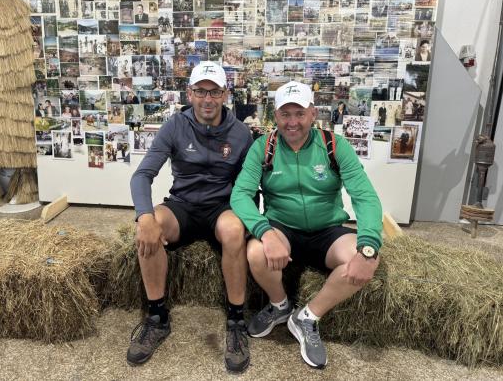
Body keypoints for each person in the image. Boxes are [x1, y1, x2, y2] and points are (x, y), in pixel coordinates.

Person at [230, 81, 382, 369]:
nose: (292, 122)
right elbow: (240, 195)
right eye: (285, 114)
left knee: (365, 261)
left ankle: (307, 317)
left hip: (328, 231)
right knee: (255, 252)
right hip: (282, 228)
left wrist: (369, 246)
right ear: (275, 116)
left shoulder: (334, 145)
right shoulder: (263, 148)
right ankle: (280, 305)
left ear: (313, 113)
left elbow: (365, 196)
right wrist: (265, 233)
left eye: (299, 113)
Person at [128, 61, 253, 373]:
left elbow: (250, 187)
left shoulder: (241, 133)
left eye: (214, 92)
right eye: (200, 91)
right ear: (189, 93)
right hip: (182, 205)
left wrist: (254, 225)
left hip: (221, 208)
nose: (207, 99)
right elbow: (141, 176)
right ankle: (157, 317)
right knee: (150, 225)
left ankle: (236, 321)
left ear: (225, 94)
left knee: (234, 231)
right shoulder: (175, 125)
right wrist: (144, 217)